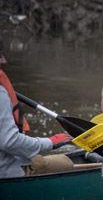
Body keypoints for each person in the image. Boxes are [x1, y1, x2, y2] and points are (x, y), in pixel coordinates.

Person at [0, 47, 71, 178]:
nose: (3, 62)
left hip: (12, 163)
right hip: (7, 175)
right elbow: (9, 141)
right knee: (66, 164)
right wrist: (49, 142)